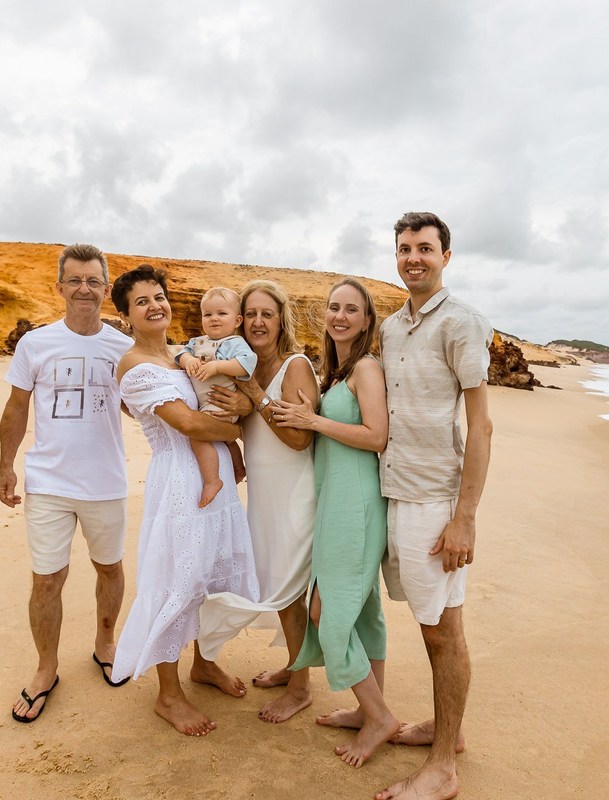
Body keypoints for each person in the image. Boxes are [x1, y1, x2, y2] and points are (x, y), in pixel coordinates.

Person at [107, 265, 260, 737]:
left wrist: (242, 411)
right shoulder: (133, 366)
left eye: (159, 296)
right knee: (178, 576)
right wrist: (242, 431)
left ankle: (204, 664)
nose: (155, 306)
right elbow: (191, 425)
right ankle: (168, 694)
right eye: (142, 301)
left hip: (215, 482)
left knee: (209, 575)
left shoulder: (185, 354)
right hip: (179, 482)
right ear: (127, 315)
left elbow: (229, 391)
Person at [374, 213, 494, 800]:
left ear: (447, 255)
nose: (413, 258)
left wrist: (464, 516)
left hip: (434, 497)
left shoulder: (464, 323)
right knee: (440, 624)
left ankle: (443, 766)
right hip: (395, 488)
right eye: (404, 249)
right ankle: (452, 732)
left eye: (425, 248)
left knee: (441, 632)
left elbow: (482, 427)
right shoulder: (394, 327)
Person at [0, 243, 135, 724]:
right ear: (59, 287)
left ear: (105, 289)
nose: (84, 288)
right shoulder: (35, 343)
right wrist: (6, 466)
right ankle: (45, 670)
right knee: (46, 580)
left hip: (106, 482)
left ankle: (105, 644)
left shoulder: (123, 348)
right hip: (49, 482)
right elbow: (16, 408)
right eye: (74, 280)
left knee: (110, 569)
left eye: (93, 281)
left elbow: (145, 404)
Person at [272, 278, 399, 767]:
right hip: (335, 503)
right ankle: (370, 711)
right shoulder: (337, 371)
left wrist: (314, 421)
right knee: (364, 612)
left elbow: (377, 436)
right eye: (333, 308)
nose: (340, 316)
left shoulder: (366, 367)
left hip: (358, 506)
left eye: (351, 309)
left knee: (328, 611)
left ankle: (380, 717)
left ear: (367, 321)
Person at [201, 279, 318, 723]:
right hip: (264, 496)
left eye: (267, 313)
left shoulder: (296, 365)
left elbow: (298, 438)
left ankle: (302, 688)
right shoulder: (242, 370)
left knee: (290, 590)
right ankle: (293, 668)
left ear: (281, 319)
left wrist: (254, 396)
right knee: (274, 582)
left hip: (294, 495)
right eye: (250, 313)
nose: (257, 321)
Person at [176, 287, 256, 508]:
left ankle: (213, 480)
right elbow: (180, 354)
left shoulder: (235, 344)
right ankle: (238, 468)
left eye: (222, 314)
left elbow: (246, 363)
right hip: (209, 403)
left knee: (198, 435)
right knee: (226, 440)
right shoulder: (197, 342)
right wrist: (187, 361)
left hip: (223, 404)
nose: (214, 319)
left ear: (237, 320)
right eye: (208, 314)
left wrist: (217, 366)